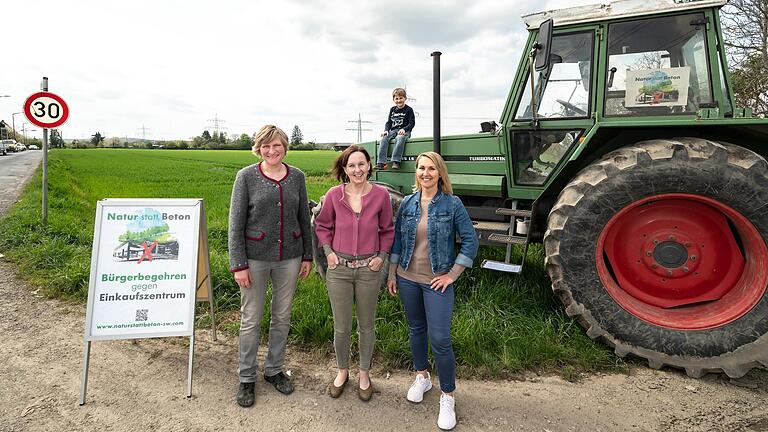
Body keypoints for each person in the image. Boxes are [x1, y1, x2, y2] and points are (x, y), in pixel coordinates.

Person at [386, 151, 479, 430]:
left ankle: (447, 395)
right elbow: (398, 242)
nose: (425, 173)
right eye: (421, 168)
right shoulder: (408, 203)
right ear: (416, 172)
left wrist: (452, 275)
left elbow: (471, 241)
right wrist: (392, 275)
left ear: (440, 173)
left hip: (435, 282)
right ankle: (422, 377)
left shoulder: (452, 204)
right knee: (416, 330)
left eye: (431, 169)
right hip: (406, 278)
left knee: (440, 339)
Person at [228, 124, 313, 408]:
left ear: (285, 147)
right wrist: (239, 264)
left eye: (277, 145)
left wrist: (307, 256)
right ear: (258, 148)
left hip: (289, 257)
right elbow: (235, 224)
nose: (272, 150)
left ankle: (274, 370)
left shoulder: (297, 177)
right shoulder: (246, 177)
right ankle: (247, 377)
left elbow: (304, 219)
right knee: (251, 318)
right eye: (266, 146)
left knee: (282, 316)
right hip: (254, 258)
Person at [314, 145, 394, 401]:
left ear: (369, 165)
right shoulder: (334, 195)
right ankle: (342, 371)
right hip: (339, 270)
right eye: (351, 165)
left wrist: (381, 257)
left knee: (366, 325)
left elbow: (387, 230)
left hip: (369, 270)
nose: (357, 170)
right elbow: (323, 225)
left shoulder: (381, 196)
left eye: (361, 164)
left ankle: (363, 374)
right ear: (345, 169)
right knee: (341, 326)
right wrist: (328, 252)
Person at [375, 87, 415, 171]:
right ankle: (381, 162)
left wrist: (404, 129)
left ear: (405, 98)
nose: (399, 100)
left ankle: (396, 161)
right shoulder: (392, 109)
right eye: (396, 98)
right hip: (393, 130)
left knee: (399, 138)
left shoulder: (409, 110)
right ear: (393, 99)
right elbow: (389, 122)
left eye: (401, 98)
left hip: (404, 131)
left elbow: (412, 123)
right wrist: (386, 130)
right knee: (384, 138)